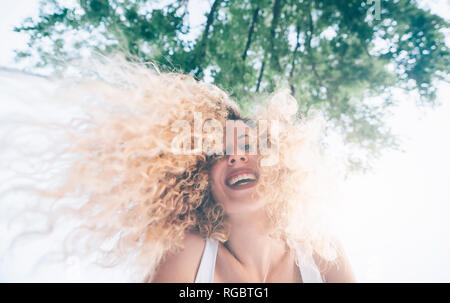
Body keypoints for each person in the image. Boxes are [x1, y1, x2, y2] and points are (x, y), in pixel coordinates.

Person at [1, 57, 355, 282]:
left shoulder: (321, 253)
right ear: (201, 180)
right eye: (218, 152)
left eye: (248, 147)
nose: (234, 157)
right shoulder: (189, 253)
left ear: (281, 167)